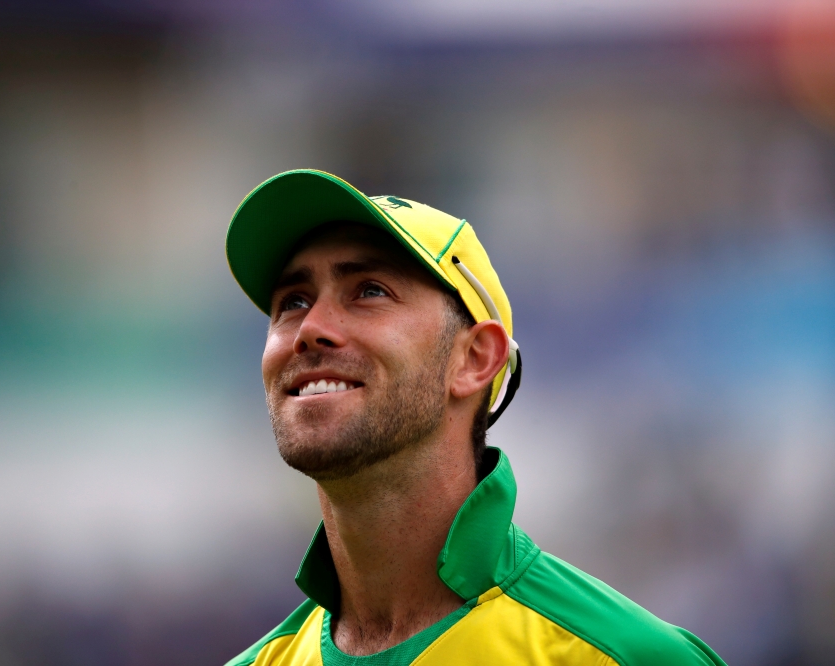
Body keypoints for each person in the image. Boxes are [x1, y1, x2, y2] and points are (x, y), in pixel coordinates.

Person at [223, 169, 726, 666]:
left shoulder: (625, 657)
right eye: (292, 301)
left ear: (474, 359)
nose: (310, 328)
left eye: (369, 290)